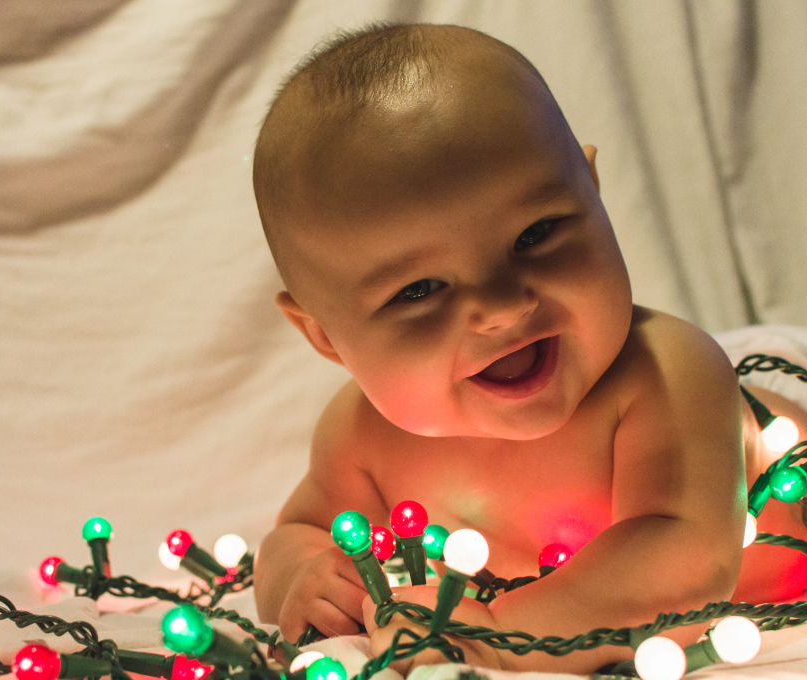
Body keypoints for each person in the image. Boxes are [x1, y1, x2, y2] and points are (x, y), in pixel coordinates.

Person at [250, 23, 807, 674]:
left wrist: (497, 631)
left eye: (536, 233)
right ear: (324, 335)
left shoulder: (666, 374)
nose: (505, 308)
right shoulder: (360, 436)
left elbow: (681, 558)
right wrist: (302, 575)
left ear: (592, 194)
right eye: (420, 289)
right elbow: (293, 537)